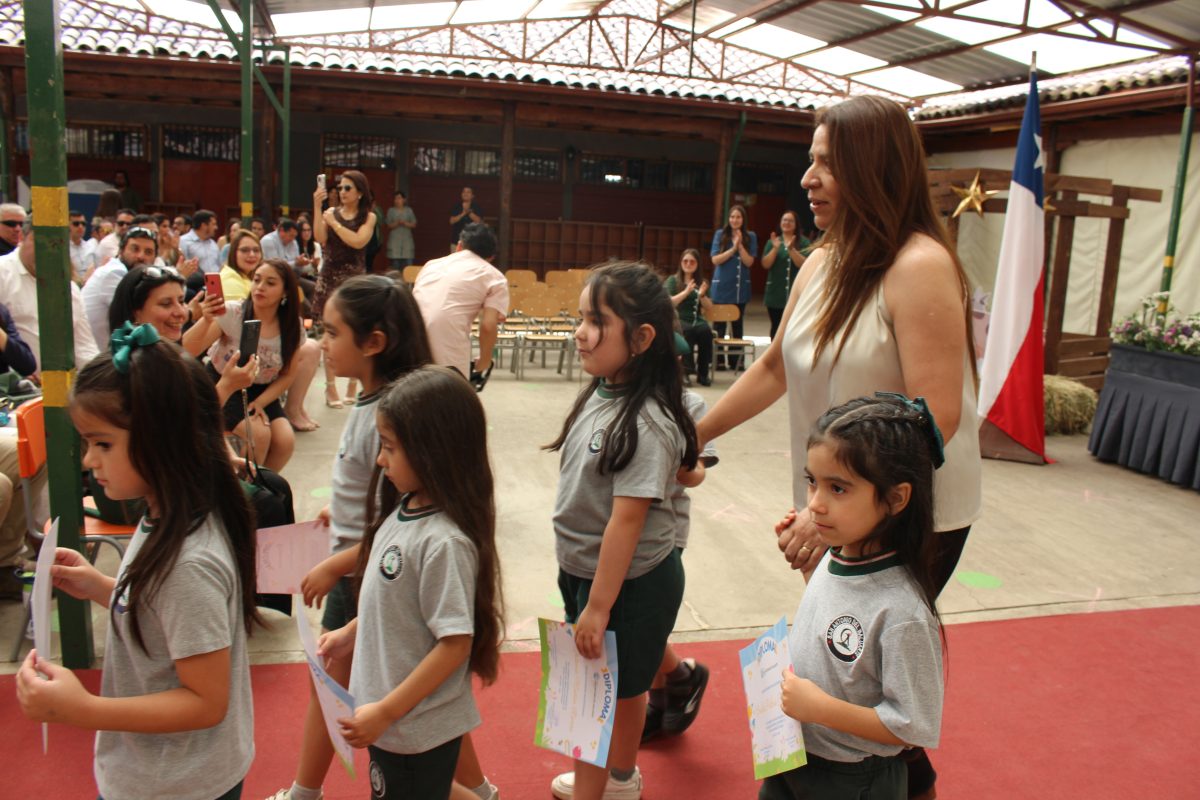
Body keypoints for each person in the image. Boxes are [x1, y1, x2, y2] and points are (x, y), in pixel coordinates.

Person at [695, 95, 981, 800]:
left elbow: (934, 417)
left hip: (900, 515)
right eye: (811, 161)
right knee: (841, 678)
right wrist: (691, 436)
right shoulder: (824, 261)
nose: (809, 178)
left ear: (871, 168)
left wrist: (839, 519)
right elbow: (771, 369)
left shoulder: (918, 266)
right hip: (837, 508)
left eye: (827, 163)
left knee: (869, 685)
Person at [15, 330, 259, 800]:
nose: (89, 460)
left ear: (162, 439)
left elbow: (205, 702)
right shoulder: (163, 511)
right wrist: (105, 587)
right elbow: (164, 614)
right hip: (163, 772)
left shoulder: (189, 560)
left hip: (179, 783)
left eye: (102, 444)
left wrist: (84, 709)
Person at [268, 274, 440, 800]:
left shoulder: (389, 416)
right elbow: (371, 494)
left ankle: (304, 791)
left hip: (368, 576)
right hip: (357, 567)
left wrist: (337, 564)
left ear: (374, 343)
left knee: (335, 683)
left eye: (333, 332)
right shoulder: (371, 406)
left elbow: (402, 526)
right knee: (343, 683)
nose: (324, 344)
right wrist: (336, 512)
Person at [544, 262, 699, 800]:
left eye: (595, 321)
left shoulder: (647, 420)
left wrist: (599, 606)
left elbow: (627, 521)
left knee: (602, 691)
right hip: (590, 572)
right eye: (580, 317)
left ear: (641, 338)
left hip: (630, 583)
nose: (579, 331)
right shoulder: (602, 391)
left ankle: (603, 787)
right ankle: (620, 778)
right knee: (626, 686)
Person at [316, 366, 504, 800]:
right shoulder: (404, 512)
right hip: (394, 718)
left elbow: (454, 644)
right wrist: (350, 632)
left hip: (412, 723)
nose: (380, 461)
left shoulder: (444, 543)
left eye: (389, 448)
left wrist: (386, 711)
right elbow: (397, 605)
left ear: (432, 451)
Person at [763, 394, 946, 800]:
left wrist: (821, 709)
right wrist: (811, 568)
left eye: (838, 489)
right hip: (793, 753)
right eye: (812, 481)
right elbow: (842, 617)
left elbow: (915, 724)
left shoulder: (904, 612)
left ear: (896, 498)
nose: (815, 504)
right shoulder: (837, 557)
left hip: (852, 778)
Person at [642, 385, 718, 743]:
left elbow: (699, 468)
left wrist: (687, 470)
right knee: (639, 622)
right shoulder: (607, 392)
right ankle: (675, 682)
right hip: (605, 528)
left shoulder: (687, 402)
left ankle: (669, 688)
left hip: (660, 531)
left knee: (641, 621)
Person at [184, 259, 304, 472]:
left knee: (285, 441)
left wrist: (261, 402)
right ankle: (242, 492)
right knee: (259, 435)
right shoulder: (233, 312)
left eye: (270, 283)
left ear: (285, 292)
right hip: (225, 382)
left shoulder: (292, 326)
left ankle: (261, 488)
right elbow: (188, 349)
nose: (260, 287)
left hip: (262, 390)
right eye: (256, 280)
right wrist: (206, 319)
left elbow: (288, 375)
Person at [0, 218, 100, 372]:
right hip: (14, 386)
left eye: (56, 244)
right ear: (22, 238)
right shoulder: (2, 273)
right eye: (40, 242)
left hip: (64, 385)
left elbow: (84, 347)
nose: (47, 250)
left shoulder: (69, 288)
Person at [313, 170, 377, 407]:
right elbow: (320, 238)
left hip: (353, 279)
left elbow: (359, 241)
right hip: (329, 275)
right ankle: (330, 389)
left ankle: (353, 384)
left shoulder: (368, 217)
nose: (342, 192)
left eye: (348, 188)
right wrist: (318, 208)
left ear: (360, 192)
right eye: (340, 188)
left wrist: (333, 223)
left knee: (357, 332)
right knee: (329, 334)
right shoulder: (330, 213)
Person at [413, 223, 508, 380]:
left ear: (459, 246)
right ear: (490, 258)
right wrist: (484, 361)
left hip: (408, 339)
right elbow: (488, 325)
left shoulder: (431, 265)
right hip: (448, 348)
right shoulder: (494, 277)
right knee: (451, 400)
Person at [82, 224, 159, 347]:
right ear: (121, 251)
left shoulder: (124, 273)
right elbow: (142, 320)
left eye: (148, 252)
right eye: (135, 249)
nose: (141, 256)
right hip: (97, 360)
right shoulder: (114, 273)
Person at [709, 204, 756, 370]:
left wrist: (740, 246)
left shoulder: (750, 236)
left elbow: (749, 261)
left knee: (737, 326)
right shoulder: (720, 235)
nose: (735, 220)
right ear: (728, 219)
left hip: (740, 289)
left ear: (743, 220)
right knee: (719, 326)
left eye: (738, 217)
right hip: (722, 287)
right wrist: (732, 249)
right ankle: (719, 361)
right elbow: (715, 260)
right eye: (732, 217)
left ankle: (737, 362)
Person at [664, 248, 714, 386]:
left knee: (705, 332)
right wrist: (686, 292)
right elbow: (669, 302)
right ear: (681, 263)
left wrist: (702, 295)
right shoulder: (673, 281)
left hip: (697, 319)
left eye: (692, 261)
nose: (688, 264)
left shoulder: (702, 281)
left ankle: (703, 374)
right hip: (679, 319)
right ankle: (684, 373)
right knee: (686, 331)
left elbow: (709, 307)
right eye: (685, 261)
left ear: (697, 264)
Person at [761, 210, 810, 340]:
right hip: (776, 294)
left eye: (790, 220)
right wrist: (775, 248)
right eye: (784, 220)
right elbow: (766, 264)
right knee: (776, 327)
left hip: (796, 293)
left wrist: (791, 249)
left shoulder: (804, 242)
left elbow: (804, 264)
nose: (786, 223)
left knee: (793, 329)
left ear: (796, 224)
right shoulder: (773, 242)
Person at [220, 229, 263, 301]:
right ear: (233, 253)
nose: (252, 255)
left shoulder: (248, 277)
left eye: (256, 250)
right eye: (245, 250)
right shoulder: (230, 281)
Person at [181, 209, 222, 276]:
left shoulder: (213, 244)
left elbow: (219, 265)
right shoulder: (184, 241)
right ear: (203, 225)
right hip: (195, 284)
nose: (216, 227)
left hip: (215, 283)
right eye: (213, 224)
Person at [385, 190, 417, 269]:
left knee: (408, 266)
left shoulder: (409, 211)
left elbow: (414, 224)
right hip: (395, 241)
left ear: (404, 200)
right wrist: (397, 223)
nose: (397, 200)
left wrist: (405, 223)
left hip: (406, 241)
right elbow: (388, 225)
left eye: (399, 198)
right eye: (395, 199)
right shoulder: (391, 211)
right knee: (395, 266)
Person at [68, 209, 97, 284]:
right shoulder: (64, 248)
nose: (80, 227)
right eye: (76, 224)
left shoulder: (91, 245)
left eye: (83, 224)